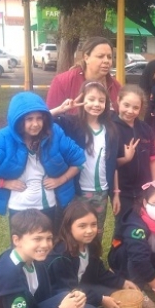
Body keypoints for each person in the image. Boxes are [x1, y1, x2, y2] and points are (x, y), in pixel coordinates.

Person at [0, 92, 85, 236]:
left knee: (47, 246)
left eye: (39, 118)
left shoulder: (54, 134)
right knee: (21, 248)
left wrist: (61, 179)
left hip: (48, 204)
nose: (35, 124)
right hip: (18, 207)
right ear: (18, 121)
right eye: (29, 119)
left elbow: (79, 161)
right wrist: (4, 183)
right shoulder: (3, 138)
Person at [45, 201, 139, 308]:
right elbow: (70, 290)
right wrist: (101, 299)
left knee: (116, 294)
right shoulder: (61, 254)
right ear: (69, 227)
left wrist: (122, 282)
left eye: (93, 224)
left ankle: (91, 303)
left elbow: (99, 272)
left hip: (80, 288)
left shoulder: (89, 244)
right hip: (61, 296)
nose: (89, 230)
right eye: (82, 226)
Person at [49, 81, 120, 247]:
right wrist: (61, 109)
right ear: (82, 100)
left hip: (101, 191)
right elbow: (43, 121)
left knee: (96, 230)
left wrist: (115, 193)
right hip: (78, 191)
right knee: (75, 230)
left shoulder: (111, 130)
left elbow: (113, 164)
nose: (96, 104)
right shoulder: (71, 124)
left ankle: (92, 263)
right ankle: (73, 262)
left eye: (101, 100)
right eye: (91, 99)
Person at [113, 85, 155, 228]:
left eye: (135, 107)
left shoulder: (146, 129)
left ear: (140, 109)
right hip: (122, 190)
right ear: (118, 101)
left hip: (144, 189)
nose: (130, 111)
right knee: (123, 225)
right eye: (126, 105)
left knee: (145, 223)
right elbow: (109, 164)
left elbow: (152, 159)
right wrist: (126, 159)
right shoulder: (111, 128)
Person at [46, 37, 121, 114]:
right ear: (86, 58)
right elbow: (49, 118)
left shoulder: (116, 86)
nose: (106, 61)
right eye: (100, 56)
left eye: (109, 57)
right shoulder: (63, 81)